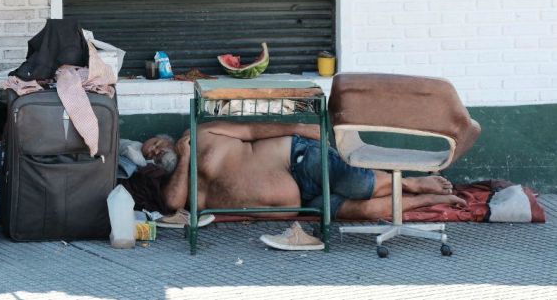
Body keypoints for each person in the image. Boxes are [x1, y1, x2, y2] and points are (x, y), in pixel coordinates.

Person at [141, 121, 466, 222]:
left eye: (154, 143)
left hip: (296, 158)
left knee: (356, 183)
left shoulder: (199, 133)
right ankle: (428, 200)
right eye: (150, 154)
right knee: (363, 211)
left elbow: (252, 131)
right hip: (307, 201)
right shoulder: (182, 188)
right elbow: (170, 205)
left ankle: (409, 183)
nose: (155, 150)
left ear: (167, 138)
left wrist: (301, 128)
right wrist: (182, 159)